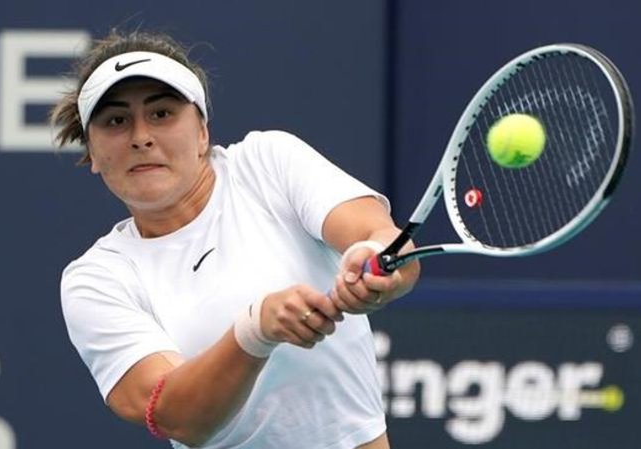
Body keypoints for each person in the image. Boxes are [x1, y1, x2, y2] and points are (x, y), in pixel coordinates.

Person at [52, 29, 419, 449]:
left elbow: (384, 240)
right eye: (116, 121)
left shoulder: (269, 163)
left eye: (162, 113)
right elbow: (178, 416)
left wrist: (374, 259)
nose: (141, 137)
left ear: (202, 132)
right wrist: (254, 330)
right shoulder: (96, 279)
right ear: (92, 153)